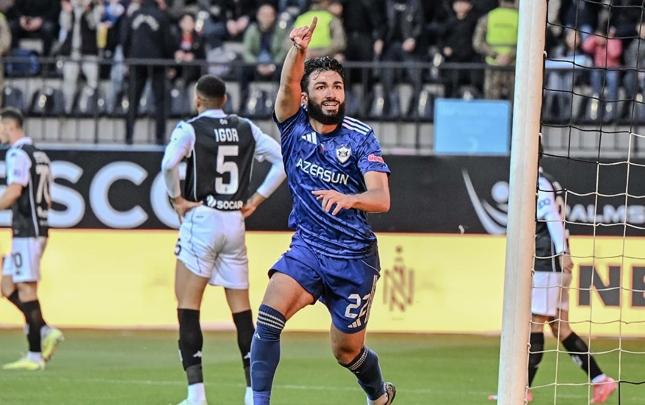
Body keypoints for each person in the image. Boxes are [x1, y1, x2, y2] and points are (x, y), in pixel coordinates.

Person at [250, 17, 396, 405]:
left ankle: (379, 395)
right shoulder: (292, 127)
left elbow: (381, 199)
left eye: (336, 86)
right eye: (321, 86)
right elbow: (286, 85)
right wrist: (297, 51)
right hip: (309, 248)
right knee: (268, 317)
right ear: (306, 96)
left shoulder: (360, 137)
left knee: (346, 352)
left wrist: (351, 199)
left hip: (354, 258)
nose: (331, 93)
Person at [161, 74, 286, 405]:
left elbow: (168, 163)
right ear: (225, 101)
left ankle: (196, 395)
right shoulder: (246, 128)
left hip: (203, 217)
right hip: (234, 220)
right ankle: (253, 393)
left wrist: (177, 199)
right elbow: (284, 161)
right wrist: (257, 199)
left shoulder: (190, 129)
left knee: (188, 306)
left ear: (197, 100)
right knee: (242, 312)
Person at [488, 160, 618, 404]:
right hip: (554, 263)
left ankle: (522, 389)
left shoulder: (539, 183)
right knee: (560, 327)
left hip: (548, 262)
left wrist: (561, 252)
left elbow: (551, 218)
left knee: (535, 324)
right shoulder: (548, 181)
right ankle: (601, 380)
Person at [0, 108, 64, 371]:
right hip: (36, 228)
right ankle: (44, 329)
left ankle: (35, 355)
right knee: (6, 285)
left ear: (9, 126)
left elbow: (15, 191)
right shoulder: (40, 154)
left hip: (28, 230)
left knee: (27, 290)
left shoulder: (17, 153)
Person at [121, 0, 174, 144]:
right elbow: (168, 41)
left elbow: (125, 39)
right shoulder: (161, 16)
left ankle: (128, 137)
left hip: (136, 62)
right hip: (158, 62)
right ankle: (159, 137)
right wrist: (169, 61)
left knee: (133, 100)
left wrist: (127, 58)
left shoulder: (134, 15)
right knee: (160, 101)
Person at [472, 0, 518, 100]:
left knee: (492, 103)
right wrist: (510, 55)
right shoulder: (521, 18)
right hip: (513, 66)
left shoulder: (488, 17)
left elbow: (477, 43)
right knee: (515, 102)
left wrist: (495, 55)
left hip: (493, 65)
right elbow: (528, 42)